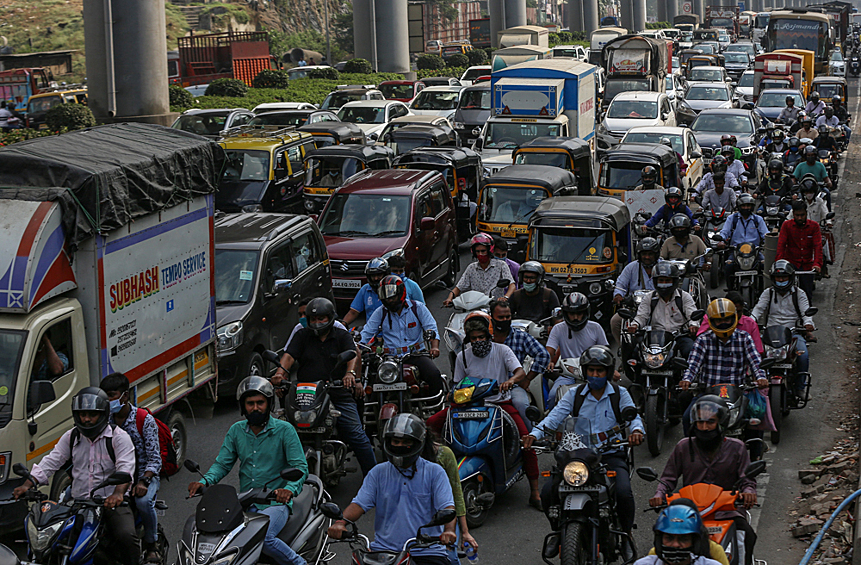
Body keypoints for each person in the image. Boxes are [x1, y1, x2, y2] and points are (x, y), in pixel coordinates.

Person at [523, 346, 644, 550]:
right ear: (585, 371)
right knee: (547, 493)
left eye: (600, 371)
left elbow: (634, 417)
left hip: (609, 454)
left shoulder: (619, 394)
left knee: (623, 493)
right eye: (591, 370)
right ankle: (558, 531)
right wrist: (534, 435)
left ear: (607, 372)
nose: (595, 375)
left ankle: (626, 535)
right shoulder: (575, 394)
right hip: (578, 456)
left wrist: (637, 431)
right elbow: (554, 417)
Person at [189, 377, 309, 565]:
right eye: (250, 403)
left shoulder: (285, 430)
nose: (255, 408)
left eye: (260, 403)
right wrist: (205, 482)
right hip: (244, 501)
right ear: (243, 407)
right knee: (221, 540)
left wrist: (288, 490)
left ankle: (299, 563)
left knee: (265, 539)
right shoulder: (236, 431)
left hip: (275, 503)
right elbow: (222, 464)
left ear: (269, 404)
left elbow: (300, 467)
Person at [14, 388, 139, 565]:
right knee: (55, 538)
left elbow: (125, 469)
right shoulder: (72, 436)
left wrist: (118, 494)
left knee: (125, 535)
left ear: (103, 414)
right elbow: (52, 460)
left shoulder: (119, 438)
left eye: (91, 414)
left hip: (109, 503)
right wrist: (28, 484)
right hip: (77, 503)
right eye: (82, 414)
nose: (86, 419)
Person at [427, 312, 541, 507]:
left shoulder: (503, 350)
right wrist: (453, 394)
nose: (478, 341)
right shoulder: (463, 356)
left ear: (489, 336)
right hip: (468, 405)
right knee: (429, 425)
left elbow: (519, 371)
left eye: (481, 337)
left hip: (500, 404)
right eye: (474, 338)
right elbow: (458, 383)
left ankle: (535, 491)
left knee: (525, 440)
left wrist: (511, 381)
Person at [328, 414, 457, 565]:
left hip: (426, 551)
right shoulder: (378, 473)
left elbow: (447, 508)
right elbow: (359, 504)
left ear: (418, 443)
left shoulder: (435, 472)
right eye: (396, 441)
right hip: (384, 552)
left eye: (406, 442)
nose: (400, 445)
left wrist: (449, 531)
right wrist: (341, 522)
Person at [648, 396, 758, 565]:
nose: (704, 427)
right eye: (700, 422)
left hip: (726, 509)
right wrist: (659, 495)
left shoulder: (737, 447)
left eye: (710, 422)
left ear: (721, 423)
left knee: (746, 534)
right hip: (689, 513)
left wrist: (748, 493)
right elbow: (667, 479)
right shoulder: (683, 446)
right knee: (662, 540)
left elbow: (746, 479)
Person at [273, 297, 376, 476]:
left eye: (321, 318)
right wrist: (280, 373)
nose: (317, 322)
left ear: (330, 318)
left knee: (357, 435)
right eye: (313, 319)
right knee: (283, 435)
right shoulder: (302, 334)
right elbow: (289, 356)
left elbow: (352, 355)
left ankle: (375, 479)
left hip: (336, 392)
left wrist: (349, 375)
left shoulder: (340, 334)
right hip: (307, 394)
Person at [679, 299, 767, 436]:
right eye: (718, 321)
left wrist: (761, 377)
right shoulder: (703, 340)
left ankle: (755, 455)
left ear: (734, 318)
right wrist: (687, 379)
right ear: (712, 321)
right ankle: (691, 453)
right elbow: (693, 365)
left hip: (738, 394)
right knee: (687, 418)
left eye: (727, 319)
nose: (723, 323)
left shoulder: (744, 338)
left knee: (754, 421)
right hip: (708, 395)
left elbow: (756, 361)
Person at [100, 373, 163, 563]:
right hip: (116, 476)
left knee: (143, 503)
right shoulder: (104, 420)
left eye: (111, 395)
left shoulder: (144, 420)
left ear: (125, 396)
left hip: (144, 476)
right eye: (105, 396)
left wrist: (143, 481)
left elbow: (154, 459)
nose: (108, 401)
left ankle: (152, 544)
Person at [362, 276, 445, 395]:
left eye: (392, 297)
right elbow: (366, 332)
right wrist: (357, 346)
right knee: (371, 383)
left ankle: (437, 408)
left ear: (401, 293)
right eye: (386, 298)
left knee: (433, 374)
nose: (389, 301)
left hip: (415, 355)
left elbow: (431, 328)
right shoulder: (381, 311)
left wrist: (434, 347)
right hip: (389, 358)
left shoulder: (418, 308)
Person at [751, 260, 815, 399]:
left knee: (803, 355)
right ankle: (753, 386)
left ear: (790, 278)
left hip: (793, 333)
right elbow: (758, 309)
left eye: (784, 277)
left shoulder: (799, 293)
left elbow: (806, 312)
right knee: (754, 355)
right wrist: (750, 321)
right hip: (771, 333)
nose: (781, 280)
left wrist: (808, 324)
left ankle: (800, 388)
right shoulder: (768, 293)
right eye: (778, 278)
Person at [489, 299, 551, 431]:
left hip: (514, 387)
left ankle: (530, 437)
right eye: (501, 317)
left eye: (508, 317)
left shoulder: (520, 337)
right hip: (487, 387)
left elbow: (543, 355)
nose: (505, 320)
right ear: (491, 317)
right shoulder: (485, 338)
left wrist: (527, 379)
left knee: (521, 404)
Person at [546, 292, 610, 405]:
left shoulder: (596, 327)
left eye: (579, 313)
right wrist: (548, 361)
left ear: (586, 312)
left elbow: (606, 353)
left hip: (593, 374)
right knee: (552, 396)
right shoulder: (558, 329)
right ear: (565, 314)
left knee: (609, 398)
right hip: (567, 374)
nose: (575, 317)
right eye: (571, 314)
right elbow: (549, 351)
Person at [628, 262, 699, 360]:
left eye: (667, 280)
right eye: (661, 280)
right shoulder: (649, 298)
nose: (664, 284)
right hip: (657, 338)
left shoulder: (684, 297)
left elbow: (692, 313)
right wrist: (635, 325)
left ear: (674, 281)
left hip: (679, 336)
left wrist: (693, 325)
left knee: (691, 351)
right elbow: (641, 316)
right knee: (636, 354)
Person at [429, 437, 478, 565]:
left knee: (449, 557)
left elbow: (456, 493)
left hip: (442, 519)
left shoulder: (443, 454)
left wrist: (465, 532)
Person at [645, 499, 731, 565]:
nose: (675, 545)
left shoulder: (714, 551)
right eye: (669, 538)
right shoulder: (649, 560)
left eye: (684, 539)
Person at [344, 257, 424, 326]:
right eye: (373, 276)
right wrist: (342, 325)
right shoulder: (365, 289)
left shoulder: (405, 287)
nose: (376, 279)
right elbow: (353, 312)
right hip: (373, 333)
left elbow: (421, 311)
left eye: (379, 275)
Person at [443, 234, 515, 306]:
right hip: (475, 307)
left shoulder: (501, 265)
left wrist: (505, 297)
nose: (480, 254)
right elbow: (458, 288)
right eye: (478, 251)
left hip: (495, 307)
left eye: (483, 251)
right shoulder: (471, 268)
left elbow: (512, 285)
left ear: (489, 251)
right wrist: (450, 298)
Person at [611, 237, 659, 346]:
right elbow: (621, 284)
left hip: (659, 308)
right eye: (644, 254)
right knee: (615, 322)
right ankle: (623, 349)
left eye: (650, 254)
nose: (647, 257)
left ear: (656, 255)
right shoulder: (631, 267)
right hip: (634, 308)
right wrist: (618, 295)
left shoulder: (663, 266)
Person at [716, 194, 767, 290]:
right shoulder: (732, 218)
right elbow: (725, 232)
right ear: (739, 206)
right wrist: (721, 239)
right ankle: (730, 289)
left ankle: (762, 290)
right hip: (736, 251)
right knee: (728, 266)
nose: (746, 208)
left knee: (765, 266)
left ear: (752, 206)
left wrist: (768, 242)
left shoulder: (758, 219)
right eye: (743, 206)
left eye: (748, 206)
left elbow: (765, 234)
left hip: (754, 251)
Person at [776, 201, 822, 301]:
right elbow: (781, 245)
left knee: (807, 296)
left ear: (806, 213)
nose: (799, 218)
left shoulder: (814, 226)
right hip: (790, 264)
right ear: (793, 214)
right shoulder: (786, 226)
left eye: (802, 215)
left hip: (807, 266)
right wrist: (779, 264)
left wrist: (817, 263)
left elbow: (817, 246)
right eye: (797, 215)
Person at [697, 291, 763, 353]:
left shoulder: (748, 328)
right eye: (719, 320)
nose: (736, 315)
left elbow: (757, 352)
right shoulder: (711, 318)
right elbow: (699, 341)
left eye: (738, 311)